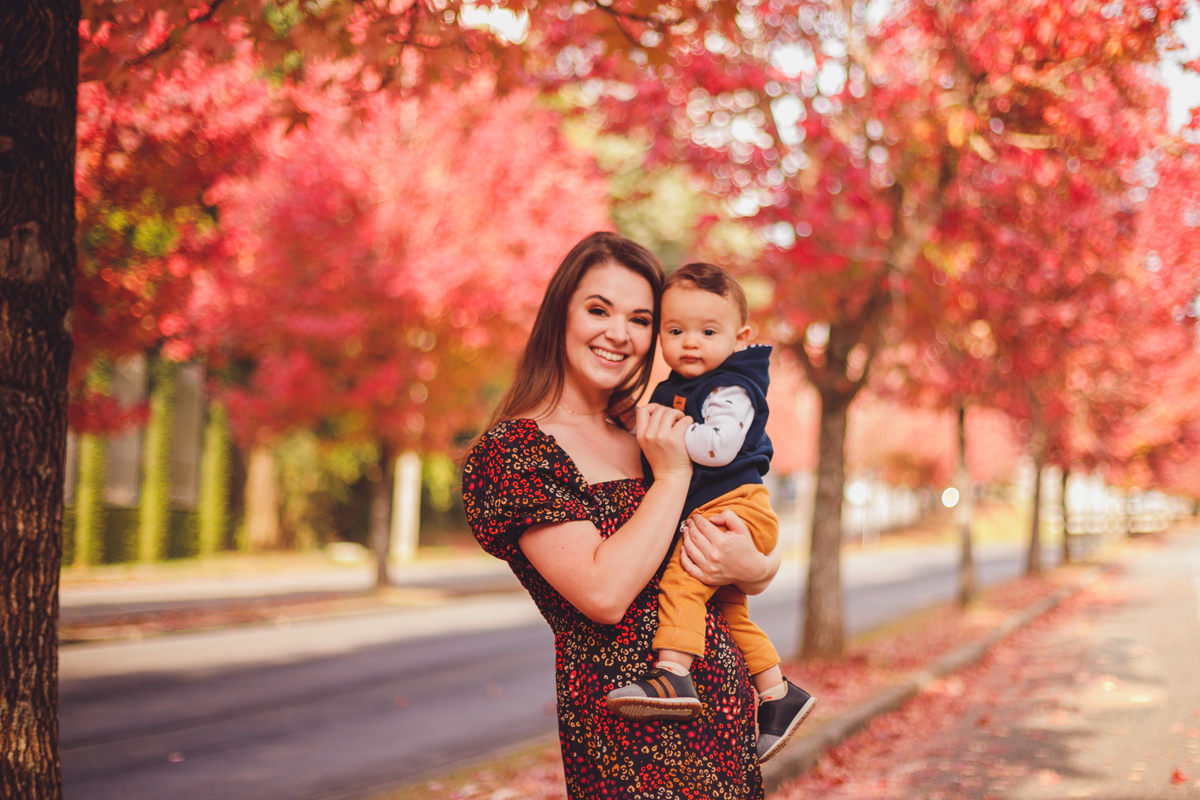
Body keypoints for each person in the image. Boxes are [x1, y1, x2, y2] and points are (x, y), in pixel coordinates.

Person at [462, 232, 779, 799]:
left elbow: (732, 530)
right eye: (598, 310)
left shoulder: (646, 427)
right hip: (633, 745)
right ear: (560, 314)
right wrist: (674, 475)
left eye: (640, 319)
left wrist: (755, 569)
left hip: (725, 724)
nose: (618, 333)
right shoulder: (516, 450)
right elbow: (604, 594)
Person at [605, 263, 815, 764]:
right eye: (676, 331)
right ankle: (778, 693)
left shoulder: (731, 388)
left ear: (739, 338)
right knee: (727, 610)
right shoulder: (680, 385)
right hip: (720, 507)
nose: (690, 343)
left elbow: (719, 447)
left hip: (737, 506)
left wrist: (667, 432)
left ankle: (673, 672)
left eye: (707, 332)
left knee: (681, 580)